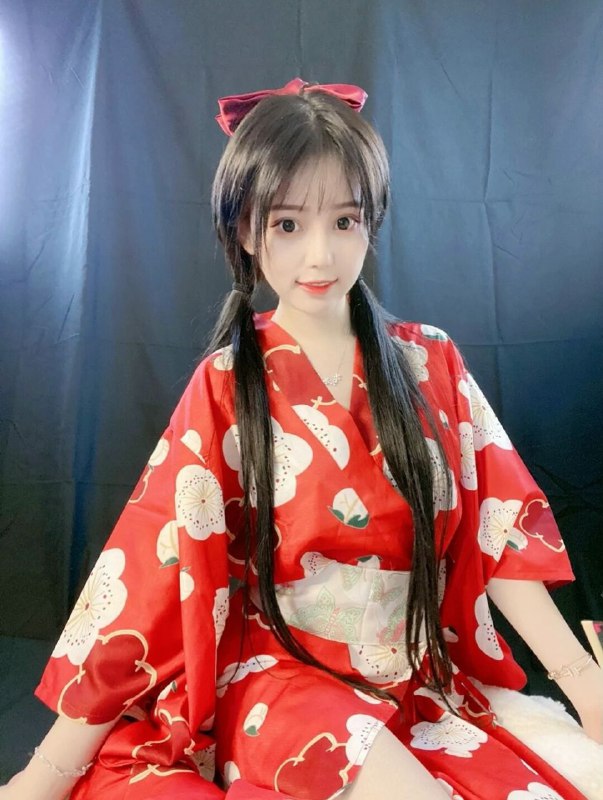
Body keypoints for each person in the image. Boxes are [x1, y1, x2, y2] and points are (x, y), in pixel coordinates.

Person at [1, 77, 601, 800]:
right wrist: (48, 773)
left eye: (344, 221)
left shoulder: (432, 361)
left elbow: (495, 532)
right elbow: (150, 573)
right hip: (282, 676)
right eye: (287, 225)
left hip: (414, 674)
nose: (320, 256)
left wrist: (584, 685)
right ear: (244, 230)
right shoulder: (228, 384)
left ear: (371, 222)